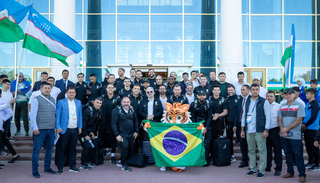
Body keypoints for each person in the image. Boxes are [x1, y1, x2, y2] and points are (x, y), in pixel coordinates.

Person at [240, 84, 271, 179]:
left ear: (259, 90)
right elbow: (244, 115)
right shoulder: (247, 101)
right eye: (253, 89)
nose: (255, 91)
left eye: (257, 89)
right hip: (249, 130)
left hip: (260, 130)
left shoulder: (264, 101)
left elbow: (268, 116)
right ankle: (253, 169)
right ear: (250, 91)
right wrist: (242, 129)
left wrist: (266, 129)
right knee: (251, 150)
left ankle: (262, 170)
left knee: (262, 151)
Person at [278, 88, 306, 182]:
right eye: (286, 94)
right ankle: (290, 172)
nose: (288, 95)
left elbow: (299, 120)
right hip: (284, 135)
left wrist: (286, 128)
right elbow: (279, 119)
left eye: (290, 94)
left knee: (298, 155)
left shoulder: (300, 105)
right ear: (284, 95)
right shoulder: (282, 106)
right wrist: (282, 129)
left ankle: (302, 174)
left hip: (295, 136)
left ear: (294, 95)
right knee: (287, 154)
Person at [30, 82, 57, 178]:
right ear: (41, 89)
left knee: (49, 149)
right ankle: (35, 170)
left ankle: (47, 167)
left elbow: (54, 114)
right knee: (36, 150)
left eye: (49, 88)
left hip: (51, 129)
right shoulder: (36, 99)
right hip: (40, 129)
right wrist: (35, 127)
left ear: (51, 89)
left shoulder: (53, 99)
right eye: (45, 88)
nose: (47, 89)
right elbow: (32, 115)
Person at [55, 85, 83, 174]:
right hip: (64, 129)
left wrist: (80, 127)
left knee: (73, 149)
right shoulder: (61, 102)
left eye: (73, 92)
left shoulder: (78, 102)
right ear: (66, 93)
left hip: (74, 129)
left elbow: (80, 115)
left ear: (75, 94)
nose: (71, 94)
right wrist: (58, 127)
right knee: (61, 149)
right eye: (70, 92)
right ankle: (60, 167)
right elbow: (57, 115)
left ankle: (72, 166)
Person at [111, 97, 139, 172]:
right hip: (122, 134)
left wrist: (136, 131)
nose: (126, 103)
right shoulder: (117, 111)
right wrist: (117, 135)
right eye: (124, 102)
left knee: (131, 147)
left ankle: (122, 160)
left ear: (130, 103)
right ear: (121, 103)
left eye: (127, 102)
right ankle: (124, 164)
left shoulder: (132, 110)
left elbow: (135, 121)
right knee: (125, 146)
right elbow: (113, 124)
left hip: (131, 134)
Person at [189, 91, 212, 166]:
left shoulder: (209, 104)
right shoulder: (193, 104)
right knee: (195, 143)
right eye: (200, 95)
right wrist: (195, 126)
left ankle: (206, 160)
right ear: (197, 96)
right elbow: (192, 116)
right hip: (196, 126)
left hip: (206, 125)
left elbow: (209, 117)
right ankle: (196, 160)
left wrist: (206, 127)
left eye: (203, 95)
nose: (202, 97)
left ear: (205, 96)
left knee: (207, 143)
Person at [79, 97, 103, 170]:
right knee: (86, 146)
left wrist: (92, 132)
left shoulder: (98, 111)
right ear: (94, 102)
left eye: (100, 103)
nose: (99, 104)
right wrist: (85, 134)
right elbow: (83, 123)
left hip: (89, 131)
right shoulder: (88, 110)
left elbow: (95, 123)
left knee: (92, 145)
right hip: (82, 132)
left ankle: (88, 161)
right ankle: (83, 164)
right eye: (97, 102)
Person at [100, 84, 120, 163]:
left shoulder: (117, 98)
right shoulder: (103, 98)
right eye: (109, 88)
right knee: (103, 138)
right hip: (104, 122)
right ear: (106, 89)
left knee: (113, 140)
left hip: (113, 123)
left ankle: (112, 156)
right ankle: (104, 151)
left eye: (112, 87)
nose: (110, 89)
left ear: (114, 89)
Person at [302, 88, 320, 171]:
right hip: (307, 128)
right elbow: (306, 116)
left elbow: (313, 117)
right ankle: (311, 162)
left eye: (308, 93)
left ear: (313, 95)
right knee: (308, 147)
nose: (306, 95)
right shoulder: (308, 104)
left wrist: (306, 124)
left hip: (313, 129)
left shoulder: (315, 104)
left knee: (314, 147)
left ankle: (317, 164)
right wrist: (303, 123)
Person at [0, 89, 20, 164]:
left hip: (1, 124)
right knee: (4, 139)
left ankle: (15, 155)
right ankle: (15, 155)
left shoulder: (2, 101)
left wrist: (3, 120)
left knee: (4, 139)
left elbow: (10, 113)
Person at [209, 85, 228, 164]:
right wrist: (213, 115)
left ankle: (217, 157)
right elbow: (207, 111)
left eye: (218, 90)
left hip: (220, 123)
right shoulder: (209, 99)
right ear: (212, 91)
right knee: (210, 140)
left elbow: (225, 112)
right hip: (210, 122)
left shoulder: (223, 99)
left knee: (218, 140)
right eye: (215, 90)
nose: (216, 91)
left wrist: (217, 115)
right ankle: (211, 157)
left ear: (220, 91)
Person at [265, 91, 282, 176]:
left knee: (277, 150)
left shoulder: (278, 106)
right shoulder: (263, 105)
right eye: (267, 96)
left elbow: (281, 118)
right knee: (267, 150)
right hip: (266, 131)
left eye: (271, 96)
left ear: (274, 98)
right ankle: (267, 166)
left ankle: (278, 168)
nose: (269, 97)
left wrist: (281, 129)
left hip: (276, 130)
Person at [11, 72, 32, 136]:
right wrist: (12, 93)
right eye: (17, 76)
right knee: (16, 117)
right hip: (15, 102)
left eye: (20, 76)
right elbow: (10, 91)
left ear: (23, 77)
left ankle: (26, 131)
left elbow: (29, 92)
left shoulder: (27, 84)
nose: (19, 77)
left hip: (23, 102)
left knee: (25, 117)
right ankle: (18, 130)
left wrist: (22, 92)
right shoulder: (13, 83)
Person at [225, 84, 241, 162]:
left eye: (232, 90)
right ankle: (231, 155)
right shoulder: (226, 99)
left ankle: (244, 157)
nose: (230, 91)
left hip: (238, 122)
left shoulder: (239, 98)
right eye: (229, 90)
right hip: (229, 122)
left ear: (234, 90)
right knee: (229, 139)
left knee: (241, 139)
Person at [236, 85, 250, 168]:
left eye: (243, 90)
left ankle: (253, 162)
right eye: (241, 90)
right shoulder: (240, 99)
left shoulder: (252, 99)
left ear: (248, 90)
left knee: (251, 145)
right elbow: (238, 113)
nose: (242, 91)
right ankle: (245, 160)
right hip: (240, 125)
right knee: (242, 144)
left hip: (249, 125)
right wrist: (235, 125)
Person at [128, 84, 144, 153]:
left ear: (140, 90)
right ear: (132, 89)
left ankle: (138, 153)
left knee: (139, 136)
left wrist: (142, 121)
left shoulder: (142, 98)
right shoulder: (128, 98)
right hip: (129, 120)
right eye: (135, 88)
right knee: (131, 136)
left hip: (140, 120)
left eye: (138, 89)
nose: (136, 90)